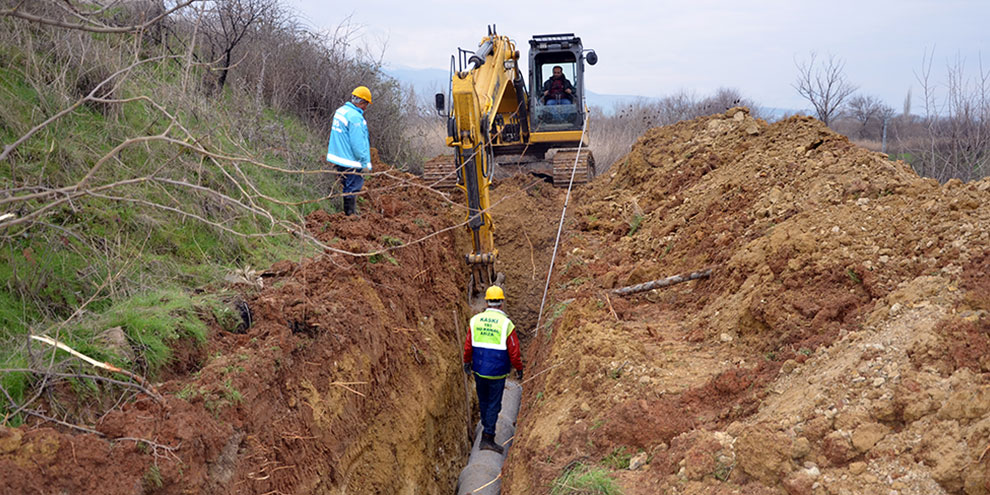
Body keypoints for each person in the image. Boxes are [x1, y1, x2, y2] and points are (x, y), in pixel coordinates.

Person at [462, 285, 524, 454]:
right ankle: (488, 437)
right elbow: (514, 350)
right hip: (497, 372)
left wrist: (466, 362)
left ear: (487, 302)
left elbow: (468, 346)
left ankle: (485, 428)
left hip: (479, 369)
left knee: (484, 401)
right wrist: (519, 368)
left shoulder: (475, 320)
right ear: (501, 303)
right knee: (494, 405)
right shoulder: (506, 324)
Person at [326, 86, 373, 216]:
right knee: (353, 187)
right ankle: (350, 215)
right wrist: (364, 163)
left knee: (347, 185)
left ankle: (349, 213)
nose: (366, 107)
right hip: (351, 160)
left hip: (339, 157)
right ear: (362, 102)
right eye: (366, 104)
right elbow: (358, 144)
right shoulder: (355, 118)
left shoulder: (341, 111)